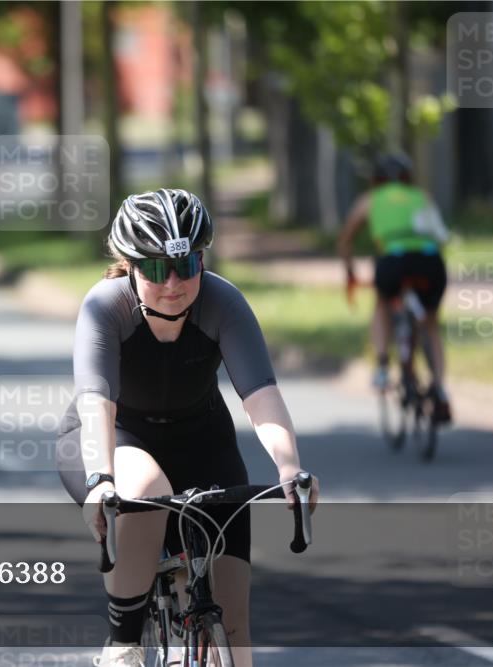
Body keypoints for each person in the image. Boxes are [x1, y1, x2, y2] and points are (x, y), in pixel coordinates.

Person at [56, 189, 320, 667]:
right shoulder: (105, 307)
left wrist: (291, 469)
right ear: (130, 265)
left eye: (188, 265)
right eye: (157, 269)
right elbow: (97, 401)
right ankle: (123, 644)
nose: (174, 283)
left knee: (233, 623)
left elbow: (261, 396)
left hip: (201, 440)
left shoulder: (223, 302)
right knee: (146, 487)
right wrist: (101, 479)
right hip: (113, 438)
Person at [338, 153, 451, 423]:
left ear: (377, 180)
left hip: (394, 260)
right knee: (431, 324)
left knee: (382, 303)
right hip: (430, 261)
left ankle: (381, 364)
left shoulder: (369, 200)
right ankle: (440, 388)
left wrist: (351, 273)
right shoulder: (422, 196)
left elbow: (346, 241)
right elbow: (440, 235)